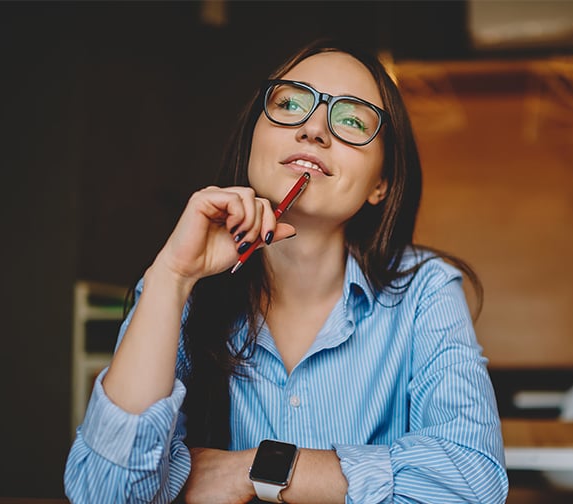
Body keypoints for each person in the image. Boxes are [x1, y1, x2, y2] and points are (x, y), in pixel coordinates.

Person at [64, 38, 509, 504]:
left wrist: (254, 469)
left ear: (382, 183)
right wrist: (171, 278)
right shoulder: (181, 286)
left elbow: (472, 482)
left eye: (352, 120)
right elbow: (104, 494)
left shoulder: (426, 289)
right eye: (291, 103)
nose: (315, 129)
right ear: (253, 138)